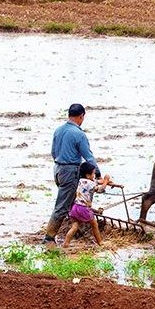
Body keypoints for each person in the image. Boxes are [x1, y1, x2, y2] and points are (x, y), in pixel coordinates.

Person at [44, 103, 102, 242]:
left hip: (57, 169)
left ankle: (77, 230)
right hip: (69, 171)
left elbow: (53, 152)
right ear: (81, 116)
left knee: (72, 201)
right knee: (62, 205)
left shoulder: (58, 130)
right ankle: (49, 238)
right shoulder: (79, 134)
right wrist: (98, 174)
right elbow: (88, 156)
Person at [63, 162, 110, 248]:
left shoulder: (81, 181)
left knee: (74, 227)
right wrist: (106, 181)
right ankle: (100, 242)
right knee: (94, 224)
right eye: (93, 173)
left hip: (75, 207)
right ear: (88, 175)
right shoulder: (90, 184)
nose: (95, 175)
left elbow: (96, 181)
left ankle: (66, 243)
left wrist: (103, 182)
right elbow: (100, 189)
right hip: (83, 209)